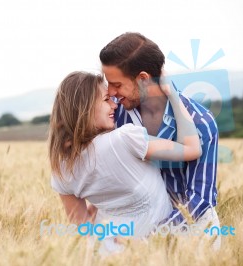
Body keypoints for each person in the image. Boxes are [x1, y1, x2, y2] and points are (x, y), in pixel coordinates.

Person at [48, 71, 201, 254]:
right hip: (157, 253)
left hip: (107, 255)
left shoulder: (61, 170)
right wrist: (173, 94)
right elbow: (192, 148)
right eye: (106, 100)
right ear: (85, 108)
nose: (114, 104)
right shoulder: (125, 139)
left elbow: (84, 230)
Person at [99, 32, 220, 247]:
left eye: (117, 84)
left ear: (143, 78)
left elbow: (201, 199)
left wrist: (151, 238)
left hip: (193, 240)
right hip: (131, 236)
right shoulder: (116, 116)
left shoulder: (200, 123)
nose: (111, 92)